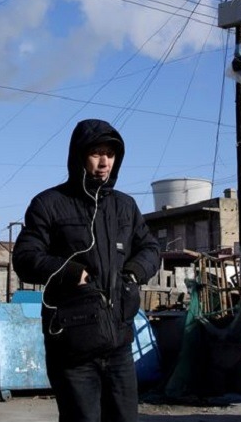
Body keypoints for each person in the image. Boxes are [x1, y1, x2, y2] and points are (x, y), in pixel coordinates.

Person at [13, 119, 160, 422]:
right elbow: (25, 258)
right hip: (72, 348)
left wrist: (133, 272)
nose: (104, 161)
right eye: (96, 153)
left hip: (119, 344)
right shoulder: (50, 204)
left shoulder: (125, 207)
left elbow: (151, 249)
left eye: (110, 154)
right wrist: (69, 271)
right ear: (79, 156)